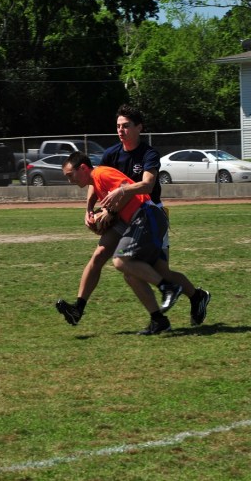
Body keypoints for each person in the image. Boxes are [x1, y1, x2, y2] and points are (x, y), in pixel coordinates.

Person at [56, 105, 210, 328]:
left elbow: (146, 186)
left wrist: (118, 197)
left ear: (139, 127)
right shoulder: (111, 154)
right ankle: (78, 308)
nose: (121, 130)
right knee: (101, 256)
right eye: (118, 126)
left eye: (126, 126)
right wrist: (89, 209)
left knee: (154, 270)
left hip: (149, 213)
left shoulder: (149, 154)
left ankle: (195, 296)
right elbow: (94, 182)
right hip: (121, 215)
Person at [60, 151, 193, 335]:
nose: (70, 181)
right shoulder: (96, 180)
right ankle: (158, 320)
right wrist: (95, 213)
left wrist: (111, 212)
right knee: (129, 272)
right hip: (135, 219)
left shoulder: (101, 173)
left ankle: (170, 288)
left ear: (82, 168)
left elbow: (127, 188)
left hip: (147, 216)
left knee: (122, 261)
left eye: (70, 175)